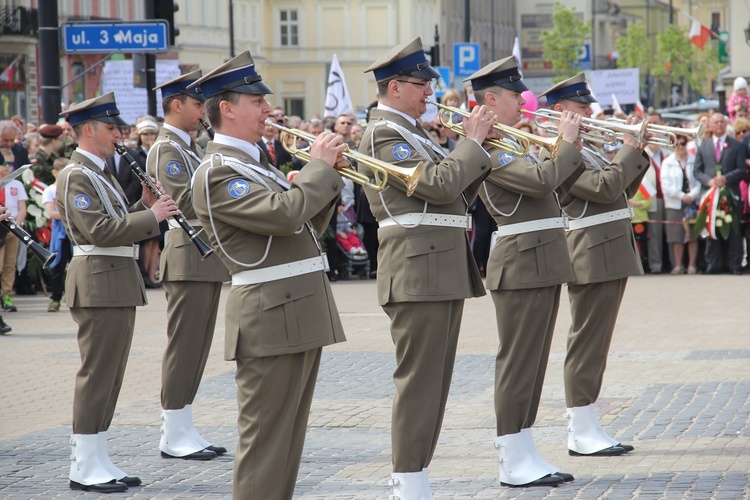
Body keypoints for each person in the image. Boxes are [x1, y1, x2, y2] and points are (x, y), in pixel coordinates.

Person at [189, 51, 348, 499]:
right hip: (269, 316)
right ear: (227, 108)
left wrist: (322, 181)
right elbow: (284, 215)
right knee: (265, 443)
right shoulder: (219, 173)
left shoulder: (254, 164)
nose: (267, 110)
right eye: (257, 102)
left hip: (293, 310)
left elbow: (301, 230)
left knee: (288, 440)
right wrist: (316, 171)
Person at [358, 36, 495, 498]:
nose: (429, 93)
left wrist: (476, 153)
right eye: (421, 84)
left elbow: (455, 198)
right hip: (418, 268)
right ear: (395, 87)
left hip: (438, 264)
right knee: (419, 383)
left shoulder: (411, 132)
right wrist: (470, 143)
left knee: (435, 382)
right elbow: (438, 187)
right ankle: (407, 480)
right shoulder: (383, 133)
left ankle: (416, 477)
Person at [467, 56, 585, 488]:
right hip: (520, 260)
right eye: (516, 95)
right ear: (491, 100)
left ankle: (524, 447)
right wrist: (565, 144)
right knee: (518, 363)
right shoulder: (491, 149)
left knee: (533, 364)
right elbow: (539, 184)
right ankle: (511, 456)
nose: (523, 102)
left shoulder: (512, 141)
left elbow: (551, 186)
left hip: (540, 258)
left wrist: (557, 146)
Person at [57, 92, 180, 493]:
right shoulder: (77, 175)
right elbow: (99, 232)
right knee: (97, 375)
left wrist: (140, 206)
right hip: (97, 280)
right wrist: (152, 216)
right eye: (112, 128)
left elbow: (114, 220)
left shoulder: (100, 172)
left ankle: (98, 455)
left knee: (110, 377)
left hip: (113, 279)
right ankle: (84, 463)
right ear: (88, 130)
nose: (119, 135)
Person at [539, 73, 647, 457]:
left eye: (588, 105)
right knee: (587, 342)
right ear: (558, 111)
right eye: (581, 106)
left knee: (597, 342)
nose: (590, 111)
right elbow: (601, 188)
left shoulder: (587, 148)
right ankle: (580, 429)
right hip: (588, 248)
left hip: (609, 246)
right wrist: (629, 150)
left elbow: (620, 191)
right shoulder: (556, 150)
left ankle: (587, 422)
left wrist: (636, 152)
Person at [146, 71, 231, 461]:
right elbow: (183, 200)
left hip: (204, 254)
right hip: (187, 251)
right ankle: (173, 431)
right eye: (197, 105)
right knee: (185, 346)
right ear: (176, 105)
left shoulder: (189, 147)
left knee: (197, 347)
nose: (203, 113)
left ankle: (183, 425)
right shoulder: (167, 149)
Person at [693, 113, 746, 274]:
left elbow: (742, 170)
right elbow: (697, 171)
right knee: (711, 228)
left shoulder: (737, 146)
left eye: (722, 122)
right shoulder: (704, 146)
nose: (719, 125)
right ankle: (713, 264)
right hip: (710, 194)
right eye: (715, 122)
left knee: (734, 231)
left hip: (731, 194)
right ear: (710, 125)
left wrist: (726, 178)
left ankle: (735, 265)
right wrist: (709, 181)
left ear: (726, 124)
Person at [661, 135, 700, 274]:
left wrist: (691, 195)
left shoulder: (694, 160)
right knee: (676, 236)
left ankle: (692, 265)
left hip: (692, 202)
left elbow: (699, 181)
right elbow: (666, 185)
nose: (681, 147)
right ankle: (678, 265)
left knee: (692, 235)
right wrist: (682, 196)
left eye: (683, 144)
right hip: (675, 203)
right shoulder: (667, 162)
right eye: (677, 144)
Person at [42, 157, 73, 312]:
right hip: (59, 234)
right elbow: (51, 213)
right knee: (57, 267)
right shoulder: (50, 190)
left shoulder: (74, 188)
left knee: (76, 265)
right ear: (55, 172)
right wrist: (73, 214)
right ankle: (55, 299)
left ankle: (74, 296)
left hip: (75, 233)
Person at [643, 111, 671, 273]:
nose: (653, 126)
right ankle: (656, 265)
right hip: (651, 198)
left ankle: (670, 262)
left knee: (671, 233)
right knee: (654, 235)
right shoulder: (643, 152)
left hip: (668, 198)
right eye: (650, 122)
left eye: (656, 122)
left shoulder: (668, 152)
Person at [0, 148, 28, 312]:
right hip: (0, 229)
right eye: (4, 164)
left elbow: (22, 209)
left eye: (10, 164)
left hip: (14, 228)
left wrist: (16, 226)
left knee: (10, 264)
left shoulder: (16, 184)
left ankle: (7, 295)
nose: (8, 168)